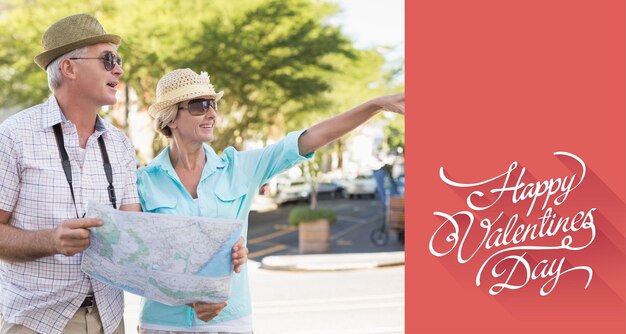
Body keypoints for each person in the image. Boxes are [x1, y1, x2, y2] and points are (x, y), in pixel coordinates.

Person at [137, 68, 404, 333]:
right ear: (171, 118)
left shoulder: (240, 168)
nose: (211, 113)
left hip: (229, 322)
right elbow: (136, 257)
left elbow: (311, 138)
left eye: (213, 104)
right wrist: (184, 295)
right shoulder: (142, 181)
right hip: (162, 324)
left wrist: (375, 105)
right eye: (199, 105)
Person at [0, 13, 139, 334]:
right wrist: (51, 240)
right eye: (108, 59)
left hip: (110, 318)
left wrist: (196, 283)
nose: (118, 68)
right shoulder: (13, 136)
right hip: (37, 323)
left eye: (118, 60)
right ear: (69, 68)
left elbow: (135, 234)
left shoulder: (120, 144)